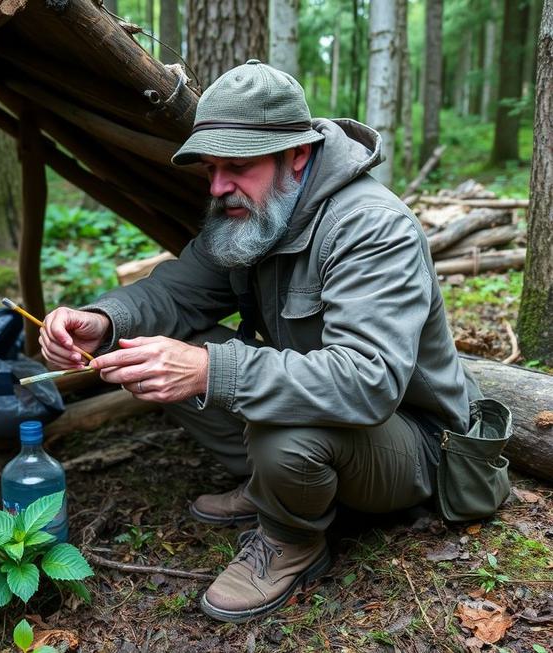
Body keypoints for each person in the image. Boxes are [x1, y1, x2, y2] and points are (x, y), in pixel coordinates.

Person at [39, 60, 507, 623]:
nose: (218, 187)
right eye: (211, 168)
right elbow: (176, 294)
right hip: (333, 413)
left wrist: (211, 369)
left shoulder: (371, 227)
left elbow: (368, 382)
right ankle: (274, 485)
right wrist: (103, 320)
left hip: (421, 443)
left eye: (237, 166)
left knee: (286, 427)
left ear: (298, 155)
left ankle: (290, 539)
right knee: (147, 341)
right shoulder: (253, 209)